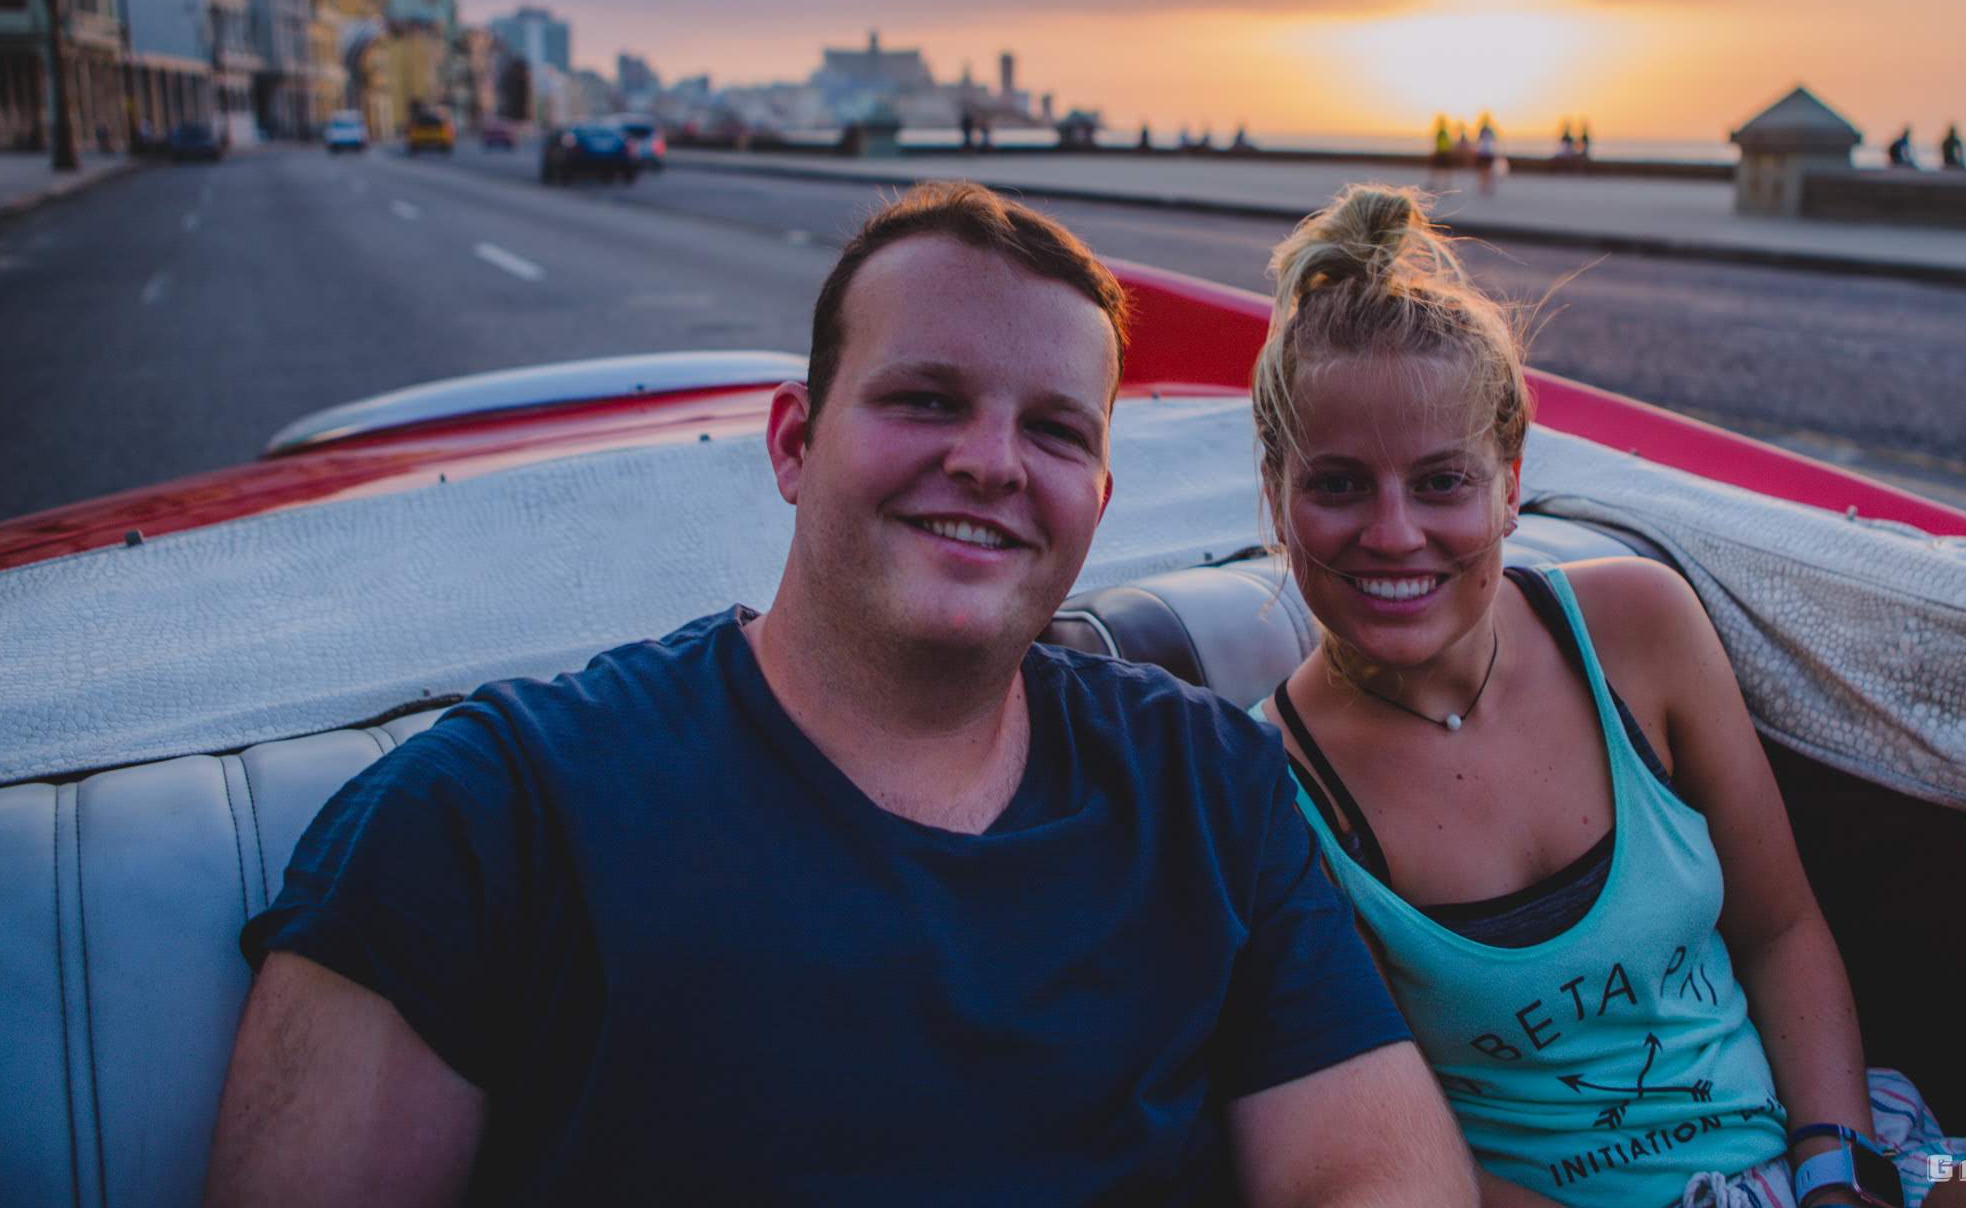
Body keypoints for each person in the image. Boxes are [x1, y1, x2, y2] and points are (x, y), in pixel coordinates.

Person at [205, 182, 1476, 1207]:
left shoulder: (1209, 790)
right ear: (794, 443)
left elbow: (1379, 1170)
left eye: (1053, 430)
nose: (987, 462)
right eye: (926, 399)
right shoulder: (494, 811)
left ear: (1097, 499)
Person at [1245, 184, 1966, 1208]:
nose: (1393, 533)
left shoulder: (1635, 627)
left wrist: (1833, 1163)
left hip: (1838, 1154)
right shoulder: (1270, 784)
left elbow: (1779, 927)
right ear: (1276, 494)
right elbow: (1383, 1146)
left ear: (1512, 473)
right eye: (1337, 483)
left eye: (1442, 480)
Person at [1474, 114, 1502, 195]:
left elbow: (1478, 141)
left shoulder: (1483, 130)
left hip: (1483, 153)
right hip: (1488, 153)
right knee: (1487, 171)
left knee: (1483, 171)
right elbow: (1495, 140)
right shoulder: (1490, 130)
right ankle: (1485, 187)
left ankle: (1484, 188)